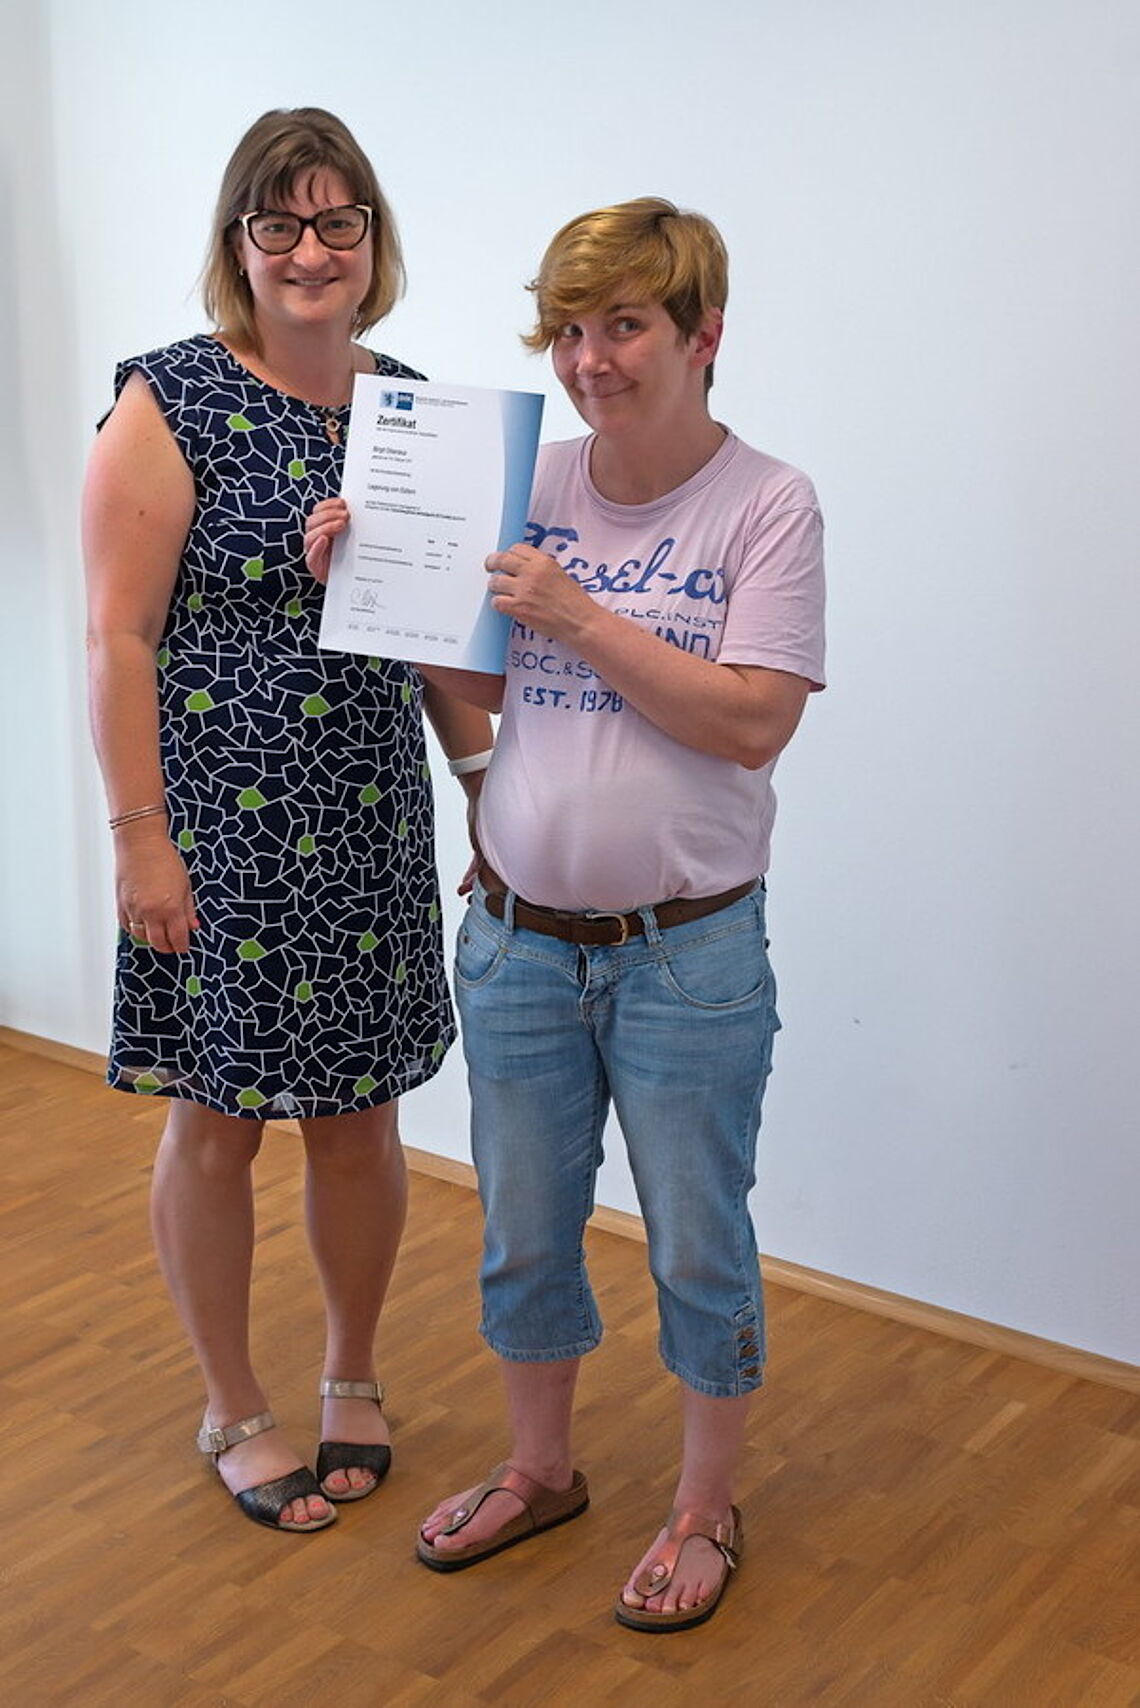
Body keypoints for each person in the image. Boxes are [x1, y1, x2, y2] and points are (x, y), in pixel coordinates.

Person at [311, 194, 825, 1624]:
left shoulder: (767, 503)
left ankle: (705, 1509)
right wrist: (380, 587)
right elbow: (493, 687)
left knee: (697, 1244)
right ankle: (541, 1472)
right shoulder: (524, 482)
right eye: (572, 331)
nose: (591, 360)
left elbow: (752, 722)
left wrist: (584, 613)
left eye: (626, 327)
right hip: (519, 943)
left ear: (702, 334)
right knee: (526, 1232)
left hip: (689, 957)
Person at [83, 107, 492, 1535]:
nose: (312, 250)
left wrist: (488, 789)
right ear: (239, 242)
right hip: (219, 826)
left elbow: (444, 650)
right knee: (218, 1123)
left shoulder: (413, 409)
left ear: (372, 240)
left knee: (360, 1122)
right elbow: (117, 639)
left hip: (368, 815)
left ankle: (351, 1375)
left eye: (337, 222)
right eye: (281, 223)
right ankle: (231, 1404)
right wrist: (139, 837)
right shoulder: (171, 398)